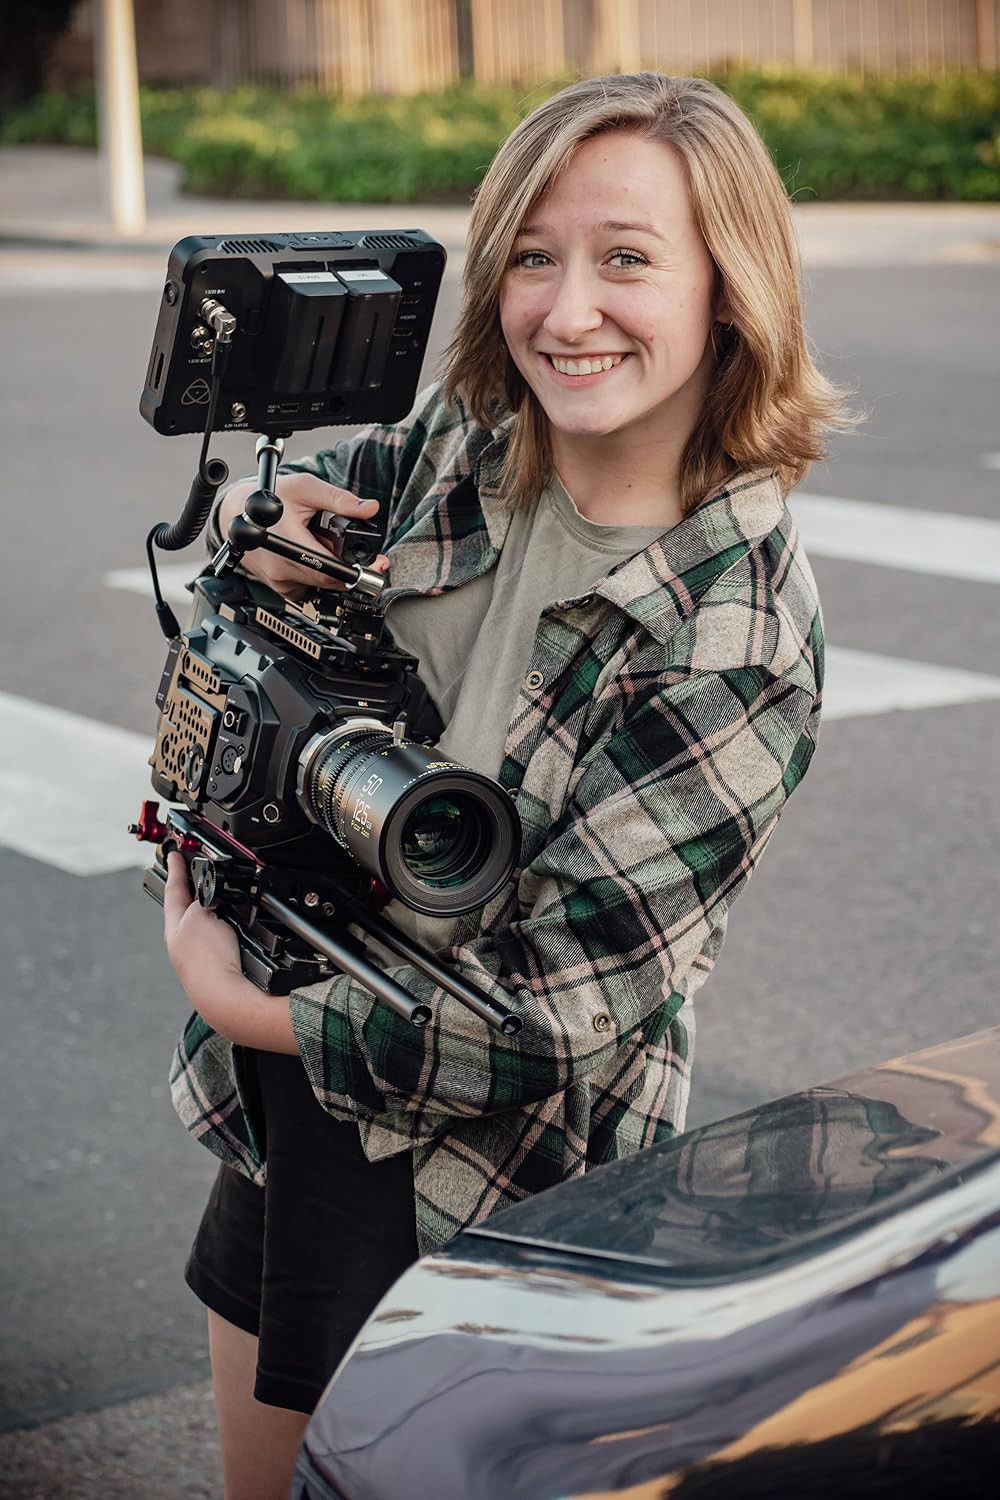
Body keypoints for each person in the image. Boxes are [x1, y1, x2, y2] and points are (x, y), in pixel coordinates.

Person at [161, 71, 845, 1499]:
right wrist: (255, 538)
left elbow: (559, 1019)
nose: (566, 309)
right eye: (532, 255)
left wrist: (239, 1000)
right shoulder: (459, 456)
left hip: (496, 1179)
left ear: (732, 286)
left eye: (627, 258)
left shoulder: (735, 633)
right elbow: (250, 651)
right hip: (292, 1106)